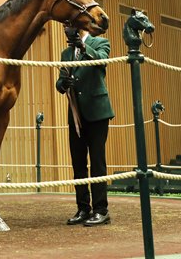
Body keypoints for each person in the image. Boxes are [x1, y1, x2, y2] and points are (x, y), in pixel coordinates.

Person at [55, 26, 115, 226]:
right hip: (76, 114)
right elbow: (59, 83)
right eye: (64, 28)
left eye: (68, 27)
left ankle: (101, 210)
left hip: (98, 112)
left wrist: (82, 46)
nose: (66, 30)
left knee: (97, 161)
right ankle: (83, 208)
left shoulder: (100, 42)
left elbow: (101, 61)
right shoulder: (65, 53)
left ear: (79, 27)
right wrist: (64, 84)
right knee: (78, 162)